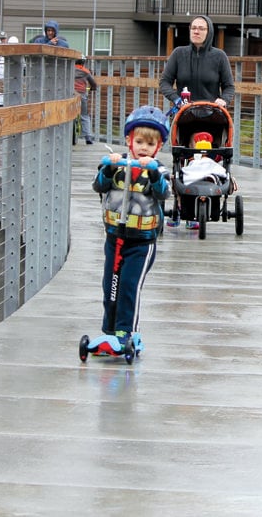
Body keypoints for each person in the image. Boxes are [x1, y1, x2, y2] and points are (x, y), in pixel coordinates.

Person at [80, 106, 170, 362]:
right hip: (115, 238)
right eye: (139, 141)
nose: (143, 148)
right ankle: (109, 332)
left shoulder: (158, 169)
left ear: (158, 146)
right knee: (110, 285)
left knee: (129, 286)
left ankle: (126, 332)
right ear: (129, 141)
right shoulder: (117, 165)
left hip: (142, 243)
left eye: (149, 144)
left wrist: (152, 171)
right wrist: (108, 168)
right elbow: (99, 185)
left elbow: (163, 192)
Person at [159, 14, 234, 110]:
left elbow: (229, 86)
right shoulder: (178, 54)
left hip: (212, 114)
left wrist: (224, 100)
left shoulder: (220, 56)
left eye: (201, 29)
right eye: (193, 28)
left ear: (209, 32)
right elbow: (164, 82)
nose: (196, 32)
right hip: (184, 113)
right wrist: (176, 99)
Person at [74, 57, 98, 144]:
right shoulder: (86, 71)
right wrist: (93, 88)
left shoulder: (68, 69)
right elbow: (93, 83)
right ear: (83, 63)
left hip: (70, 94)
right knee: (84, 115)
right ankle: (88, 137)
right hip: (81, 93)